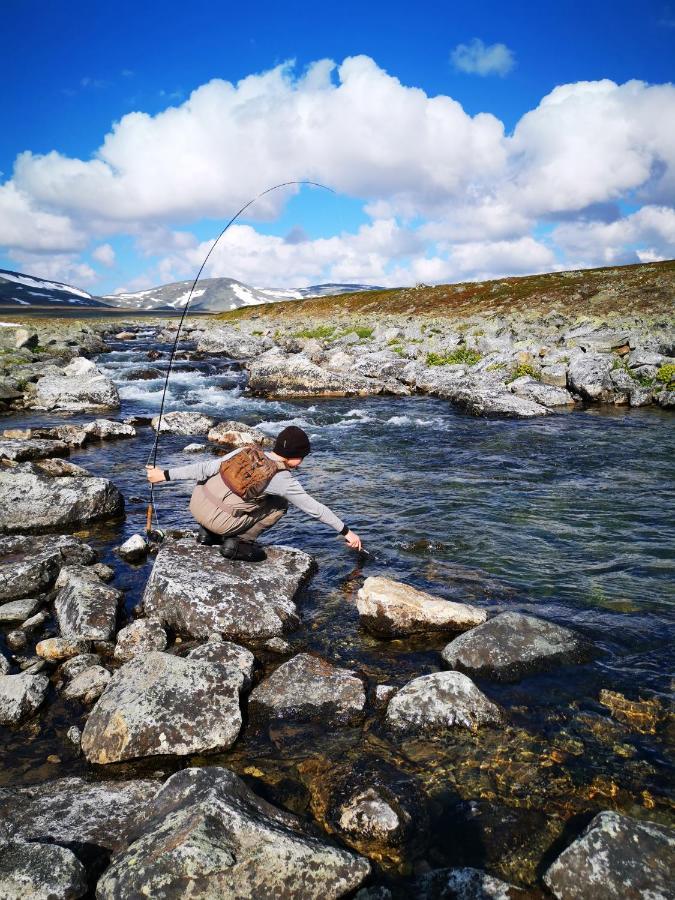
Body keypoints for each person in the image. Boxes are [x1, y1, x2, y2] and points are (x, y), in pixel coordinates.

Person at [145, 425, 362, 562]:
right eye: (303, 456)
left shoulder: (245, 451)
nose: (303, 460)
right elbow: (314, 508)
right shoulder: (282, 479)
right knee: (280, 505)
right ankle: (238, 543)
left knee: (214, 472)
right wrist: (346, 531)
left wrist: (163, 474)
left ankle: (207, 534)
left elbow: (203, 468)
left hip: (196, 506)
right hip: (222, 522)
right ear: (293, 456)